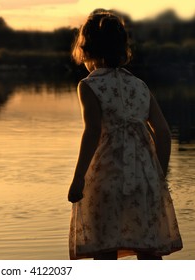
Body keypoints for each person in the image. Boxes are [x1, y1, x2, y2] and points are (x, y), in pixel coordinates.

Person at [67, 9, 183, 260]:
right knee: (148, 250)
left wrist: (78, 179)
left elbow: (92, 132)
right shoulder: (139, 85)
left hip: (106, 177)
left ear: (87, 48)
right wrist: (158, 176)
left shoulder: (89, 85)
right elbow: (162, 133)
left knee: (106, 250)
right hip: (144, 176)